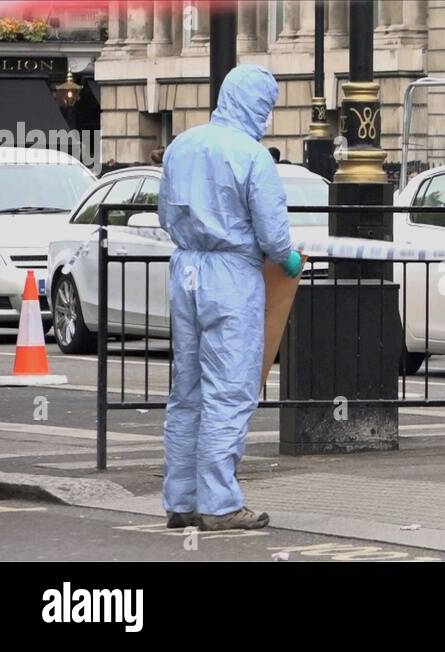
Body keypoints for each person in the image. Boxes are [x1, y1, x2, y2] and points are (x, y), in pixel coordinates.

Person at [158, 65, 303, 530]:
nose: (268, 116)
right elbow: (274, 235)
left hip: (186, 271)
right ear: (257, 104)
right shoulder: (253, 157)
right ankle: (219, 504)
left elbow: (164, 212)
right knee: (230, 390)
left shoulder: (182, 145)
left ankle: (180, 500)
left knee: (187, 392)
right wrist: (289, 258)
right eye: (268, 106)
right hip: (231, 276)